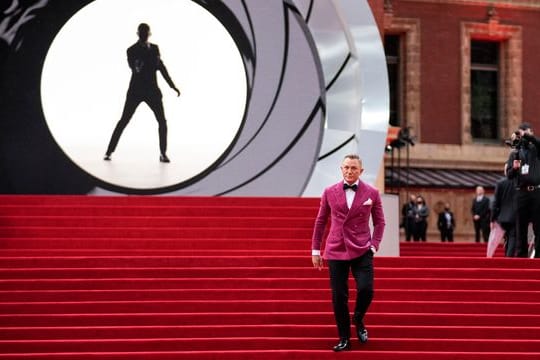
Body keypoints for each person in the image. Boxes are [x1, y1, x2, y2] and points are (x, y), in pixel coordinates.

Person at [311, 154, 385, 352]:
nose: (350, 171)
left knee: (366, 289)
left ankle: (358, 318)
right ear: (341, 169)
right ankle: (344, 338)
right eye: (346, 167)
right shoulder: (329, 192)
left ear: (361, 171)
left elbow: (380, 222)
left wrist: (374, 245)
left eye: (353, 168)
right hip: (336, 248)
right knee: (339, 296)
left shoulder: (372, 192)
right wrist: (316, 250)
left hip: (362, 248)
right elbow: (320, 221)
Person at [104, 23, 180, 163]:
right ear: (138, 34)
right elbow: (134, 68)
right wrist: (138, 66)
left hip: (152, 91)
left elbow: (161, 67)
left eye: (146, 33)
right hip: (136, 91)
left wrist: (172, 86)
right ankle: (109, 151)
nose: (144, 35)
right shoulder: (131, 50)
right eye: (142, 33)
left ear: (149, 34)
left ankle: (163, 153)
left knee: (162, 122)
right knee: (124, 120)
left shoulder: (155, 49)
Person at [506, 122, 540, 258]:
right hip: (521, 192)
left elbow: (537, 142)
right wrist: (513, 168)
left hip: (537, 192)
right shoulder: (515, 153)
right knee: (521, 226)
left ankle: (538, 255)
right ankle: (521, 255)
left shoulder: (536, 150)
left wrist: (527, 135)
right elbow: (509, 175)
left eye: (524, 133)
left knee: (538, 225)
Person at [491, 165, 517, 257]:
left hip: (502, 217)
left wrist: (492, 219)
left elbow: (495, 202)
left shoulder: (500, 183)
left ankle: (505, 256)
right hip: (515, 217)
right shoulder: (519, 183)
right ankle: (509, 258)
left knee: (505, 238)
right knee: (512, 237)